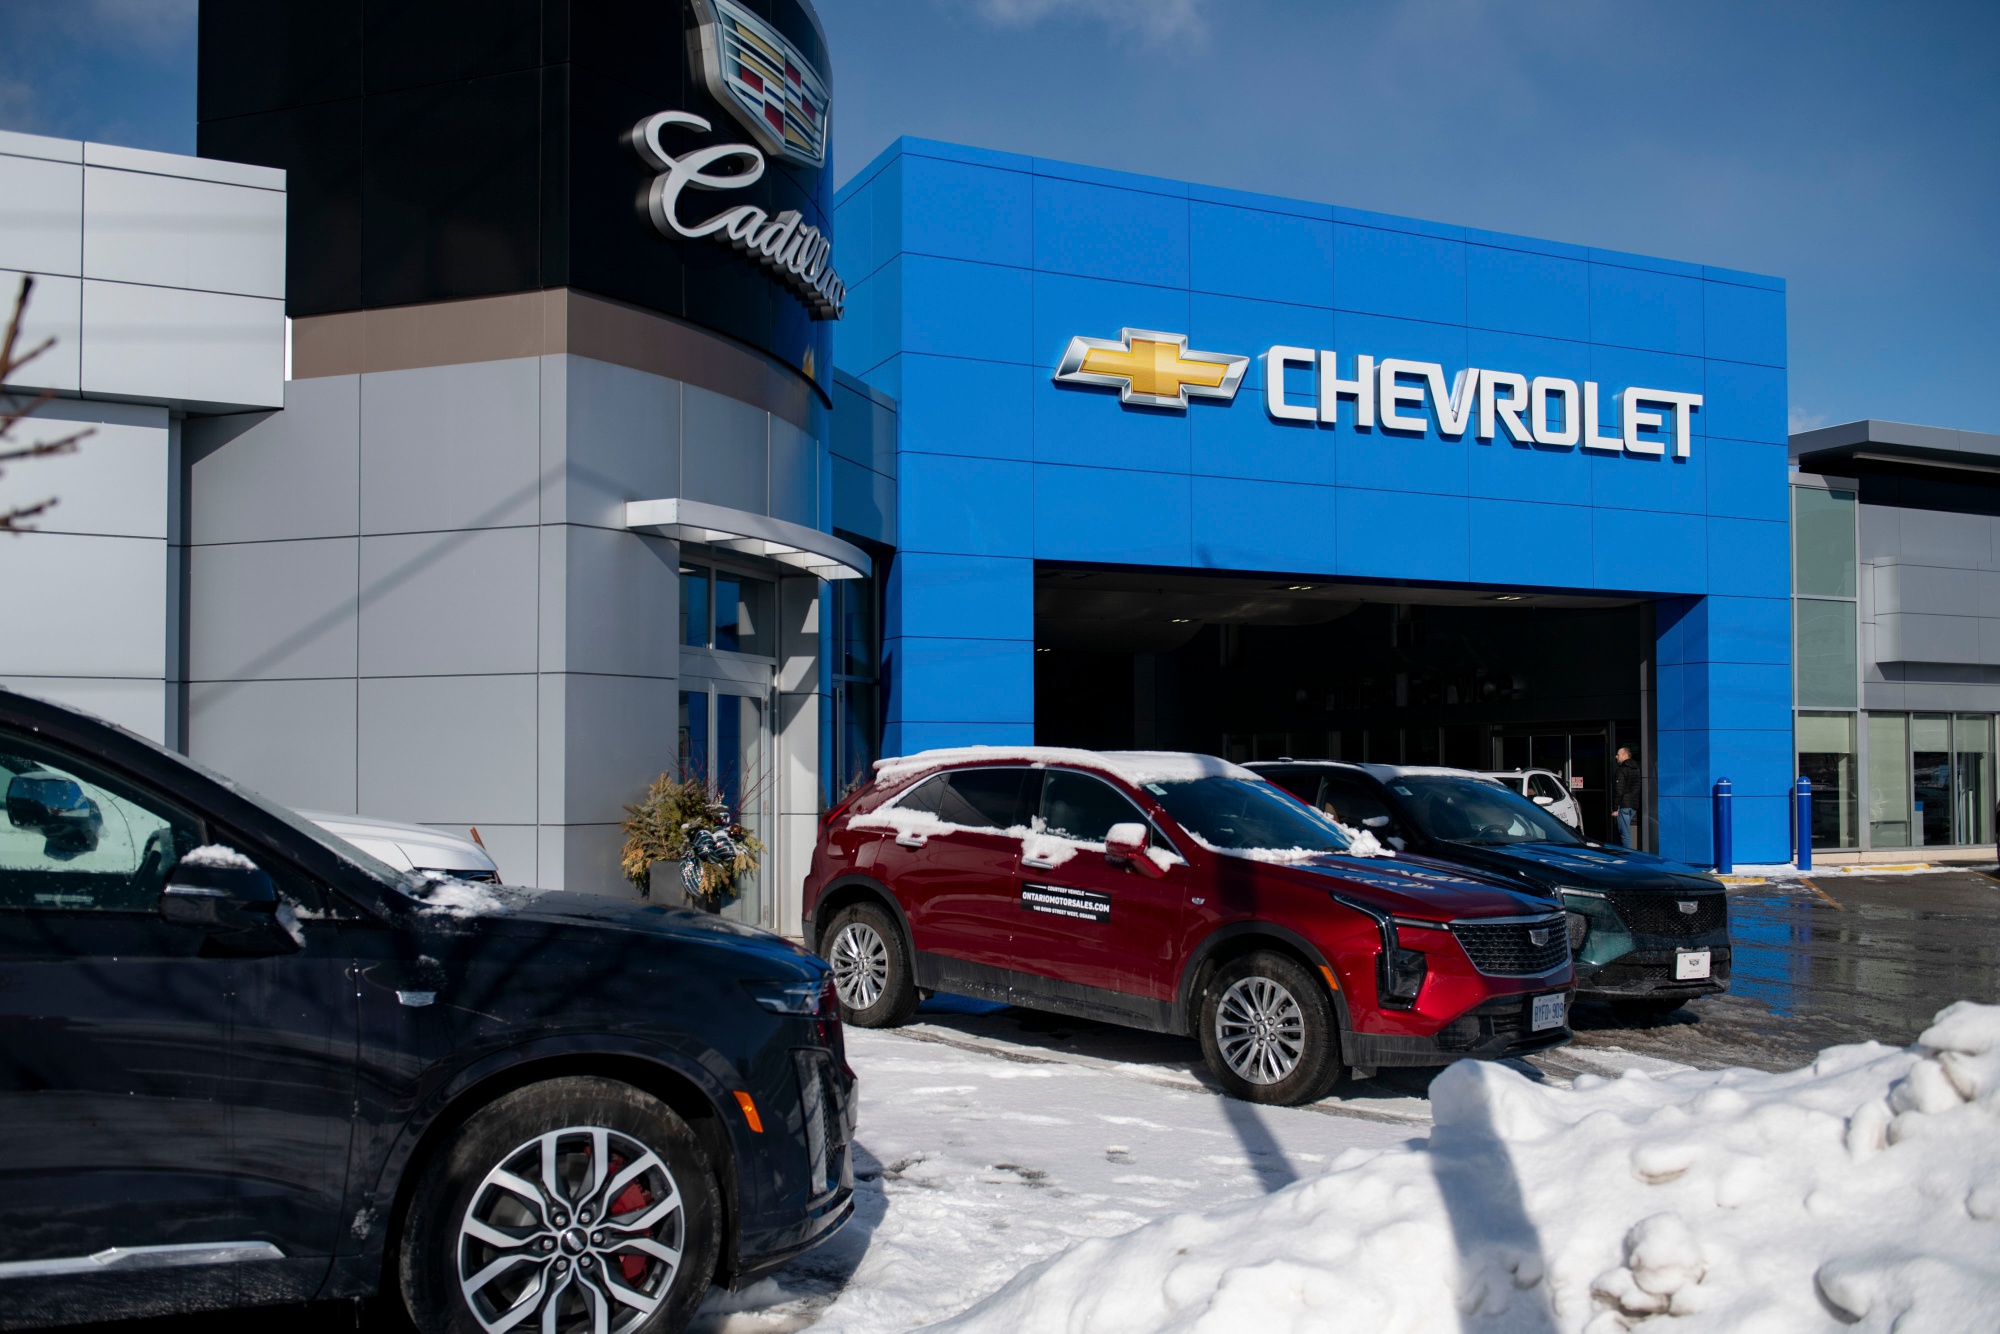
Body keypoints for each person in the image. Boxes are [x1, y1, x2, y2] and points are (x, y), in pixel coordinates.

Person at [1612, 746, 1641, 847]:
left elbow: (1619, 790)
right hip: (1633, 805)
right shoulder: (1636, 769)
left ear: (1625, 755)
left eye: (1618, 754)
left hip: (1623, 805)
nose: (1616, 756)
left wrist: (1615, 808)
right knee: (1622, 831)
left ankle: (1627, 855)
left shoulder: (1622, 770)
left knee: (1624, 833)